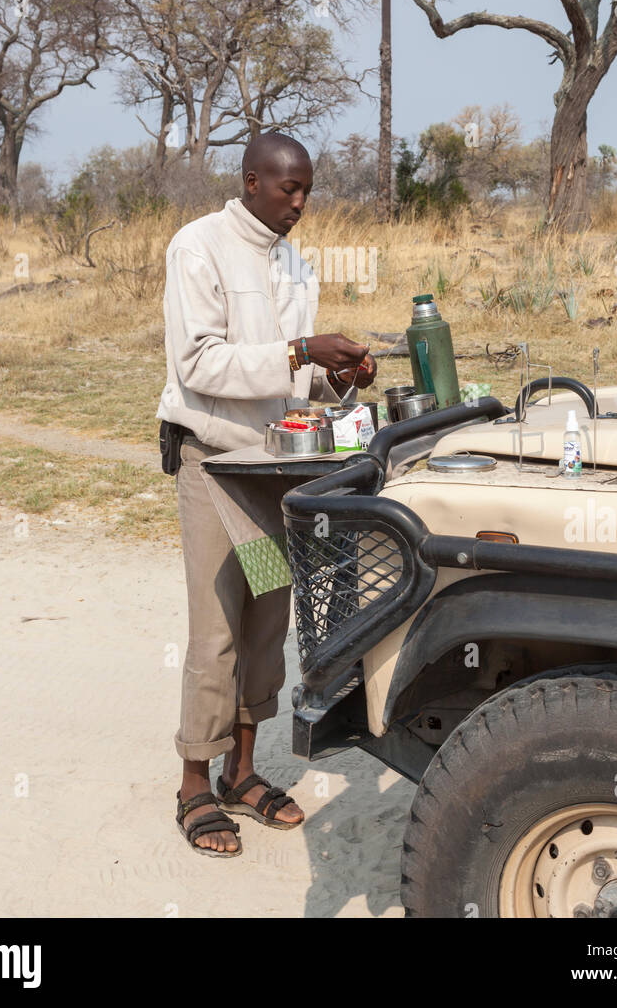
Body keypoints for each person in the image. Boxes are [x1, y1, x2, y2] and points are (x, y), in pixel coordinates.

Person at [157, 132, 376, 856]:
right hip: (215, 465)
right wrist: (301, 352)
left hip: (272, 469)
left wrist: (336, 374)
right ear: (252, 181)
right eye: (290, 190)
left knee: (265, 622)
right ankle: (195, 778)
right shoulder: (198, 247)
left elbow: (294, 378)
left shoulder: (293, 260)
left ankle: (242, 772)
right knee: (216, 625)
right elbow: (200, 362)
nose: (302, 204)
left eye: (308, 189)